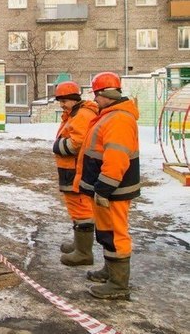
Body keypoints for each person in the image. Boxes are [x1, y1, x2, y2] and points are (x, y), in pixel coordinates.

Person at [74, 72, 140, 300]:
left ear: (105, 94)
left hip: (112, 190)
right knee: (106, 233)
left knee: (116, 234)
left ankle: (119, 285)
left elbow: (116, 157)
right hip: (105, 188)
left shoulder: (119, 119)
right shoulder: (110, 115)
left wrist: (104, 187)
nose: (94, 100)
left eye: (96, 95)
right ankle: (110, 271)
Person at [51, 81, 99, 266]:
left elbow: (77, 142)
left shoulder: (82, 115)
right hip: (70, 168)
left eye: (64, 100)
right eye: (60, 101)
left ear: (74, 99)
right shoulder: (74, 114)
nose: (62, 104)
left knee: (81, 207)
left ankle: (83, 252)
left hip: (76, 169)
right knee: (75, 206)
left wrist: (58, 147)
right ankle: (79, 244)